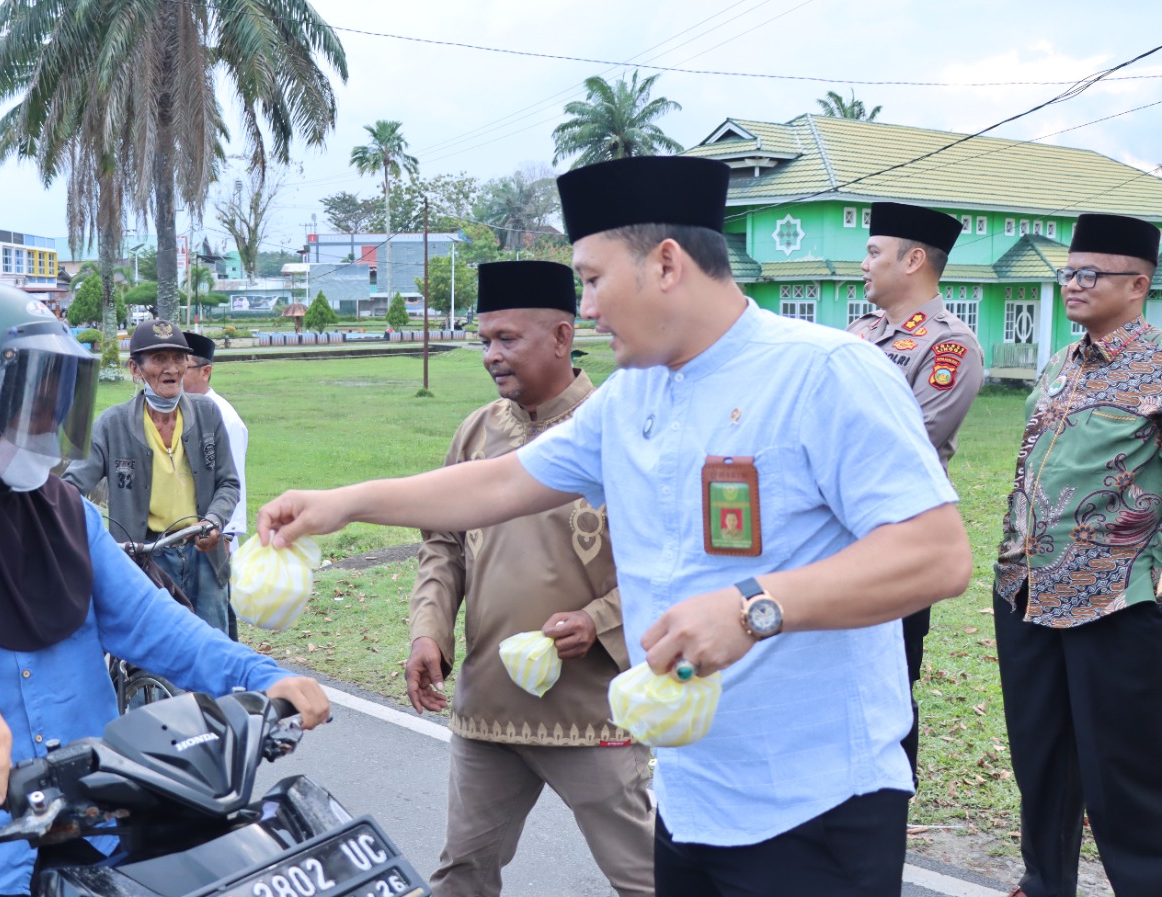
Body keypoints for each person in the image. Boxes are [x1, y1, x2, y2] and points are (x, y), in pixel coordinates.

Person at [257, 156, 973, 897]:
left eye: (594, 280)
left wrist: (753, 607)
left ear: (666, 264)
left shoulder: (824, 372)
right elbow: (503, 480)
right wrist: (345, 502)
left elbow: (936, 554)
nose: (587, 308)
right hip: (693, 799)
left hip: (818, 804)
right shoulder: (633, 396)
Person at [0, 282, 328, 897]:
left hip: (97, 821)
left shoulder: (67, 514)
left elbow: (151, 622)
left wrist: (257, 674)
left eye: (58, 398)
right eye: (31, 402)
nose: (52, 420)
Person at [408, 260, 653, 897]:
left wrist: (595, 621)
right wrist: (427, 630)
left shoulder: (616, 430)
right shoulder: (478, 431)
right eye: (485, 340)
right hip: (488, 710)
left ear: (563, 337)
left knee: (647, 876)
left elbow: (668, 567)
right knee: (461, 873)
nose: (491, 355)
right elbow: (443, 541)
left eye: (507, 339)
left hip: (592, 712)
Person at [993, 213, 1162, 897]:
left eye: (1090, 274)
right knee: (1041, 759)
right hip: (1025, 589)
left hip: (1114, 599)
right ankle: (1044, 881)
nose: (1074, 284)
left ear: (1139, 283)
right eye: (1069, 272)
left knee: (1124, 773)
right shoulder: (1062, 364)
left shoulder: (1156, 368)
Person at [847, 201, 982, 786]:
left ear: (915, 260)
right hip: (833, 537)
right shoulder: (857, 334)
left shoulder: (950, 347)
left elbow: (910, 445)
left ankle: (884, 816)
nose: (864, 263)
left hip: (896, 539)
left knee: (888, 684)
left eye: (875, 252)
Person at [65, 320, 239, 635]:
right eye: (159, 359)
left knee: (215, 650)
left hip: (204, 555)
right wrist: (89, 539)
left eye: (178, 358)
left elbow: (228, 483)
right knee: (153, 654)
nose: (171, 368)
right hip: (147, 559)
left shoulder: (207, 414)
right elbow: (70, 489)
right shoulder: (112, 424)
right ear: (135, 368)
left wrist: (214, 521)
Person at [182, 331, 246, 639]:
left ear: (205, 371)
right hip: (186, 538)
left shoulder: (224, 417)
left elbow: (233, 483)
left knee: (216, 624)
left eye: (184, 365)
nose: (174, 372)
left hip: (215, 537)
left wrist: (227, 536)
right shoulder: (179, 410)